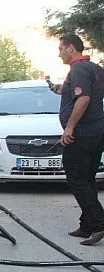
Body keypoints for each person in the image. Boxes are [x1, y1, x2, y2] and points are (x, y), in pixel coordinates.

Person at [51, 34, 104, 246]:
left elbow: (84, 98)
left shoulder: (79, 68)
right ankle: (87, 225)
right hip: (97, 133)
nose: (59, 53)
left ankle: (99, 224)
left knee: (76, 179)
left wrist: (69, 128)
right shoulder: (95, 68)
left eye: (61, 48)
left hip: (82, 134)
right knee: (87, 179)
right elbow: (85, 94)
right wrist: (60, 90)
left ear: (71, 48)